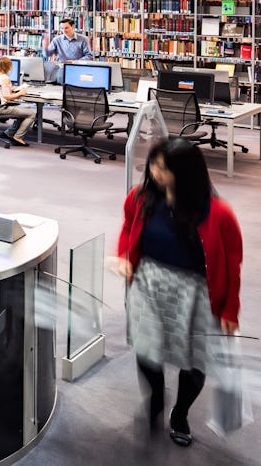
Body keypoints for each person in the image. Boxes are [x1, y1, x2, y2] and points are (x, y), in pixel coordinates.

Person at [112, 137, 241, 448]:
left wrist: (229, 309)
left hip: (196, 292)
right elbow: (129, 227)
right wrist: (123, 256)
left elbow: (232, 262)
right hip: (149, 283)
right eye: (154, 165)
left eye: (163, 168)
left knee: (194, 361)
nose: (154, 172)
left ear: (186, 173)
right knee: (146, 349)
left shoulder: (218, 213)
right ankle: (156, 397)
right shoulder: (140, 197)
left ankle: (180, 413)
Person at [0, 56, 35, 146]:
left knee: (23, 113)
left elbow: (1, 92)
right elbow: (7, 97)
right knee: (31, 114)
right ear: (8, 67)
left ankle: (9, 132)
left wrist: (11, 90)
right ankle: (18, 137)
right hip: (2, 108)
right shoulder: (5, 78)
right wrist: (21, 92)